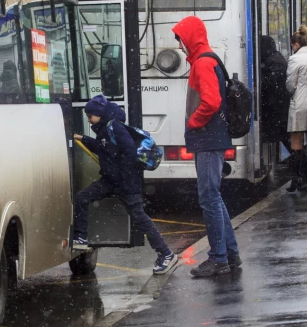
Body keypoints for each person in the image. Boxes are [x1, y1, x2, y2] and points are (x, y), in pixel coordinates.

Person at [73, 94, 178, 275]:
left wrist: (122, 175)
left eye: (90, 116)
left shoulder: (114, 126)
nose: (89, 120)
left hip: (125, 183)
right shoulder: (105, 128)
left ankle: (166, 254)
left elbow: (128, 150)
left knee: (140, 218)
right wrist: (83, 138)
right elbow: (102, 147)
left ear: (99, 114)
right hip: (111, 181)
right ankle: (82, 237)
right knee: (82, 198)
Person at [172, 16, 240, 277]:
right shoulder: (208, 59)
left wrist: (193, 123)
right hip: (213, 137)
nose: (180, 47)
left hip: (208, 138)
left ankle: (219, 258)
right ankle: (229, 254)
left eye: (180, 41)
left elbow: (210, 103)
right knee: (214, 197)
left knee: (209, 197)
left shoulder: (202, 63)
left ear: (189, 38)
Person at [286, 26, 307, 191]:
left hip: (300, 106)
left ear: (296, 44)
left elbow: (290, 86)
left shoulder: (295, 59)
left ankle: (296, 179)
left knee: (296, 143)